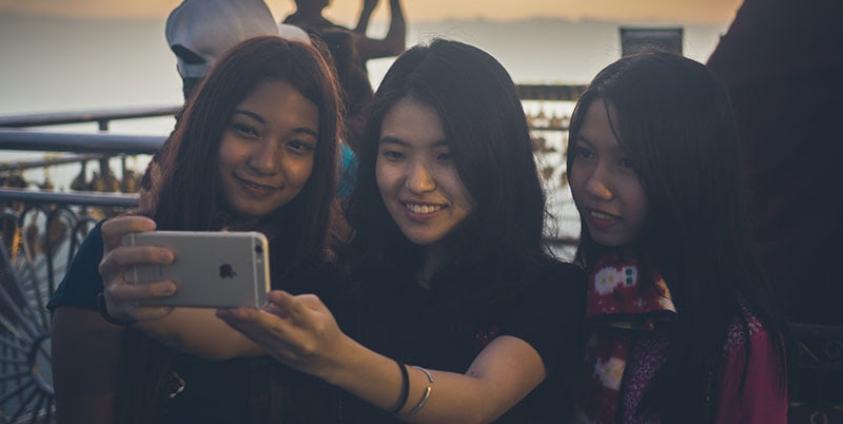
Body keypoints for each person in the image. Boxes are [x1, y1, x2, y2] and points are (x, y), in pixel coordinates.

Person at [217, 39, 586, 423]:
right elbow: (231, 331)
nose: (417, 182)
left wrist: (337, 357)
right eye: (394, 154)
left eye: (447, 157)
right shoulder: (351, 276)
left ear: (496, 159)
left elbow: (480, 398)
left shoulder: (552, 291)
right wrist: (153, 293)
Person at [49, 36, 343, 424]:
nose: (266, 162)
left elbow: (239, 338)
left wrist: (140, 312)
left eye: (298, 145)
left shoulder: (328, 266)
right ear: (208, 126)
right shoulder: (123, 253)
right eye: (247, 130)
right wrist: (110, 305)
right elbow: (84, 406)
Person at [565, 52, 788, 423]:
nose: (594, 185)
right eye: (585, 153)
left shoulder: (738, 340)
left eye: (628, 163)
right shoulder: (575, 294)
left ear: (689, 172)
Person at [284, 0, 406, 69]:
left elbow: (353, 42)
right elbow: (395, 46)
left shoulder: (289, 28)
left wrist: (366, 11)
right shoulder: (319, 35)